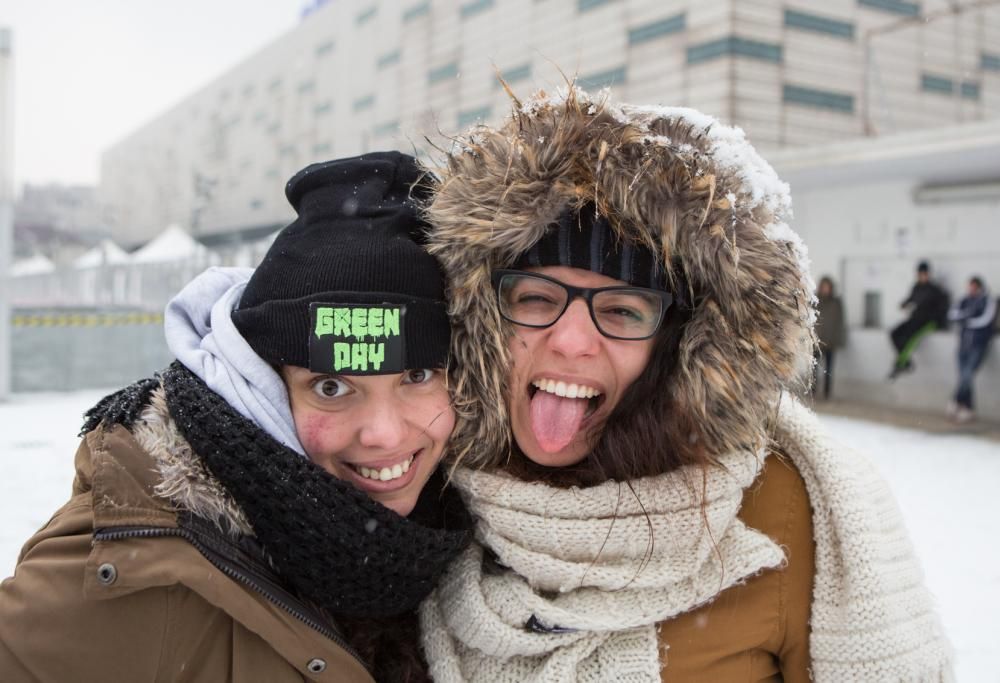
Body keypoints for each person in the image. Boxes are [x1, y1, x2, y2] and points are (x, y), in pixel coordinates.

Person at [418, 88, 953, 681]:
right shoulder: (425, 493)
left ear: (676, 345)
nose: (571, 341)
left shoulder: (777, 509)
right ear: (483, 318)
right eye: (538, 299)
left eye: (622, 312)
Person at [0, 152, 470, 682]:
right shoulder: (130, 572)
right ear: (262, 385)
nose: (384, 432)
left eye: (417, 377)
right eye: (332, 386)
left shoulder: (473, 539)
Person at [947, 276, 996, 423]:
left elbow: (985, 319)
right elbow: (953, 314)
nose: (971, 290)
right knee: (964, 376)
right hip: (963, 344)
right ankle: (967, 408)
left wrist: (967, 320)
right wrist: (965, 317)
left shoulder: (987, 301)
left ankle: (956, 400)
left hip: (978, 344)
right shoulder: (964, 300)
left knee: (967, 374)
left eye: (974, 287)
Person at [889, 260, 950, 379]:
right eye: (920, 274)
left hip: (928, 321)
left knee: (910, 338)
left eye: (924, 274)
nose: (922, 276)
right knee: (894, 333)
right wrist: (904, 304)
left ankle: (900, 364)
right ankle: (905, 362)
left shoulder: (934, 289)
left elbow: (943, 307)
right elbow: (910, 299)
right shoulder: (916, 287)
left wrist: (938, 321)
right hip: (915, 318)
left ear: (928, 274)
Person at [813, 276, 846, 399]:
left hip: (831, 341)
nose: (825, 289)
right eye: (823, 287)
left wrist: (839, 339)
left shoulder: (836, 302)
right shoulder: (815, 300)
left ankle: (827, 393)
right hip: (816, 341)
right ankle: (812, 390)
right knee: (814, 368)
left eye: (827, 287)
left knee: (829, 370)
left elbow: (840, 322)